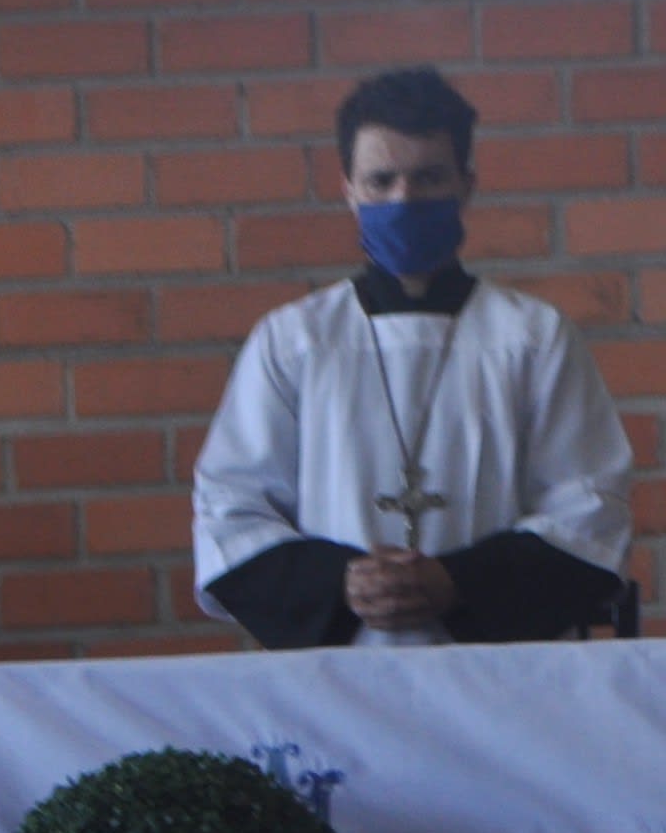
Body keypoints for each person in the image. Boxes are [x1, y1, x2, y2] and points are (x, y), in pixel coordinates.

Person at [194, 66, 635, 648]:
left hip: (498, 676)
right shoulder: (294, 341)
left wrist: (458, 583)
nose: (403, 200)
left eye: (428, 179)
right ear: (348, 190)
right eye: (381, 181)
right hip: (340, 674)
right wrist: (344, 585)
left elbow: (591, 510)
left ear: (466, 185)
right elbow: (232, 510)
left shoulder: (532, 337)